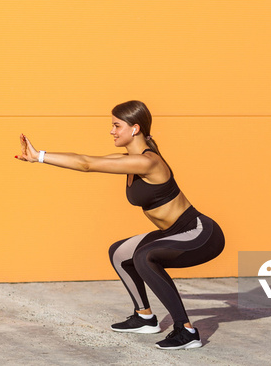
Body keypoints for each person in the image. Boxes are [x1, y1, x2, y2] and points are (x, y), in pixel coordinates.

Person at [15, 100, 225, 350]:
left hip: (200, 233)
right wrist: (38, 156)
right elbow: (84, 159)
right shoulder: (130, 161)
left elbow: (87, 164)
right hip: (173, 232)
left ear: (135, 128)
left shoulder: (148, 162)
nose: (111, 131)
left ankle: (187, 331)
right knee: (120, 252)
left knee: (145, 257)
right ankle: (145, 316)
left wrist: (40, 156)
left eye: (116, 125)